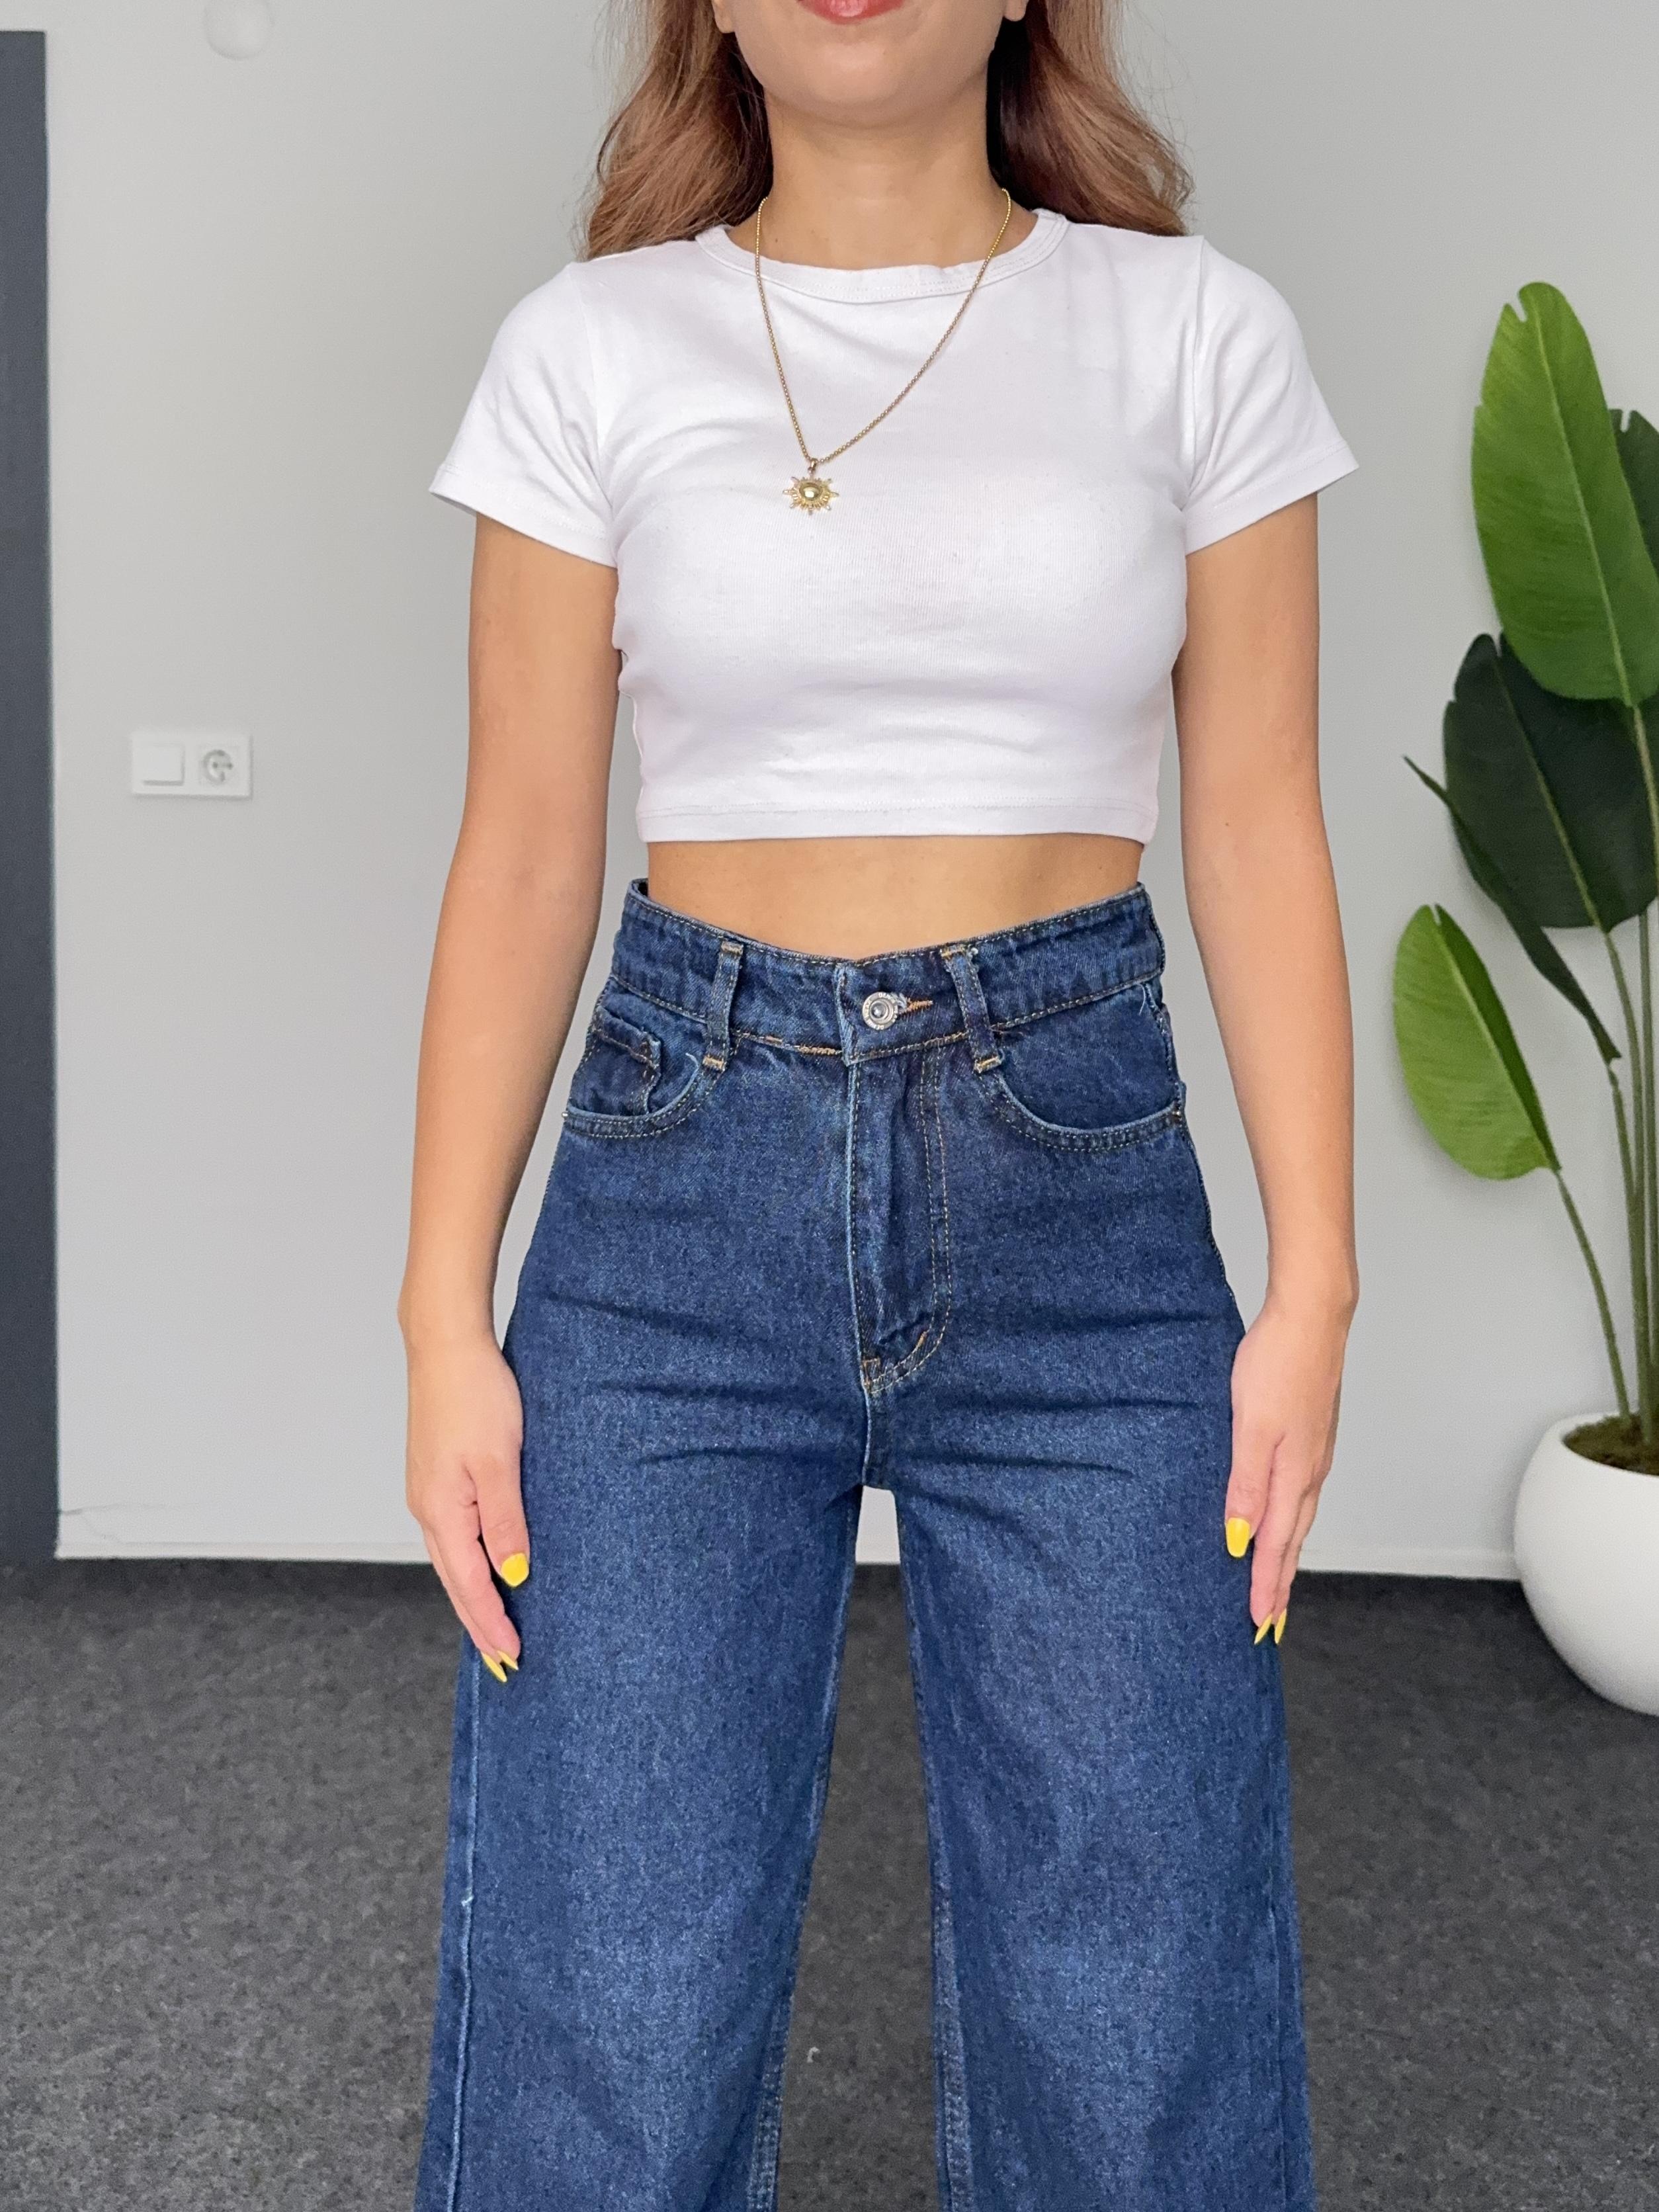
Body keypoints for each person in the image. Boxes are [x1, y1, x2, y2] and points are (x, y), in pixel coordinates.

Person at [398, 1, 1358, 2205]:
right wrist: (442, 1313)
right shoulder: (587, 349)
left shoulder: (1192, 332)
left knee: (1136, 2000)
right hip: (673, 1193)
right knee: (613, 1984)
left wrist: (1311, 1282)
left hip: (1082, 1191)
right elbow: (527, 852)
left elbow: (1256, 821)